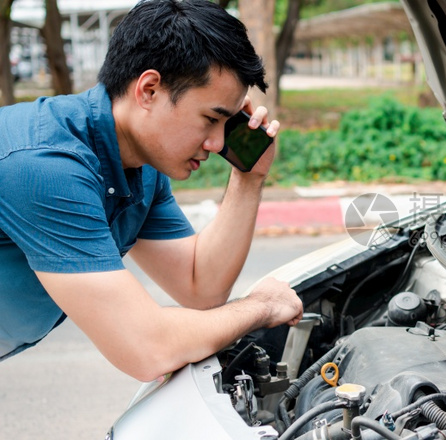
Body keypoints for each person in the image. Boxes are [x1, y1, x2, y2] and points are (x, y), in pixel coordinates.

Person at [0, 0, 303, 382]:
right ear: (149, 90)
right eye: (211, 118)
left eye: (227, 124)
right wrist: (260, 306)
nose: (215, 142)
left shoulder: (140, 164)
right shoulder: (44, 167)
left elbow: (200, 287)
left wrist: (248, 177)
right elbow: (146, 348)